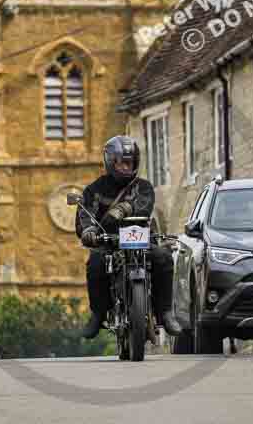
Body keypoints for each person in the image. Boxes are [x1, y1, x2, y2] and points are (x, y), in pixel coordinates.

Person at [75, 135, 182, 339]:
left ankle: (166, 313)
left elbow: (144, 206)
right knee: (95, 263)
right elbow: (85, 214)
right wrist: (88, 231)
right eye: (121, 163)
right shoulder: (94, 190)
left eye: (129, 163)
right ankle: (98, 314)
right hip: (108, 242)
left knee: (163, 257)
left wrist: (125, 208)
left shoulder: (143, 187)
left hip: (139, 239)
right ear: (110, 162)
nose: (126, 167)